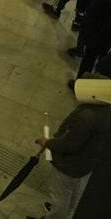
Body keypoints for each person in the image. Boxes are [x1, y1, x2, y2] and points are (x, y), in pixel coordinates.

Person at [33, 87, 111, 218]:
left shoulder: (88, 117)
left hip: (70, 166)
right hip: (87, 163)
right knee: (73, 193)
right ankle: (67, 214)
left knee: (60, 197)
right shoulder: (106, 110)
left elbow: (68, 144)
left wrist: (47, 143)